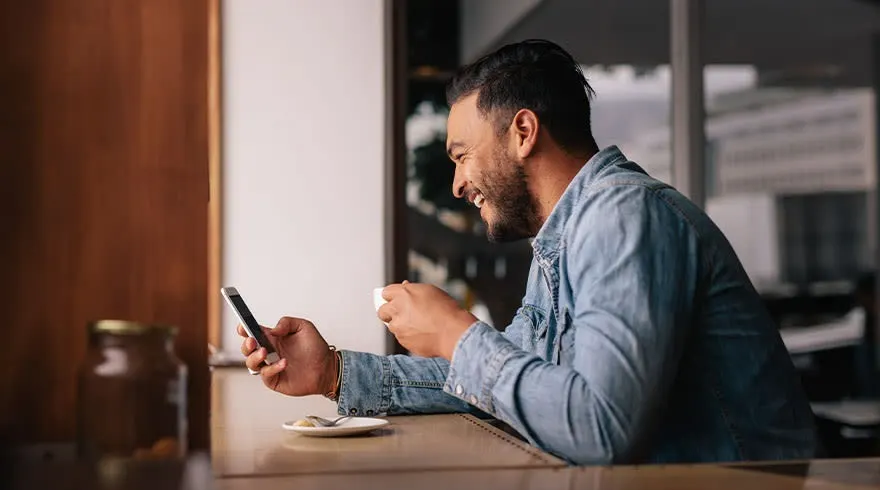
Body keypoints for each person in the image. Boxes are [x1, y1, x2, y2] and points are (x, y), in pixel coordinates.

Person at [240, 39, 817, 465]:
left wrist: (457, 332)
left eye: (462, 155)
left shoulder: (622, 218)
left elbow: (601, 431)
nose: (459, 184)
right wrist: (333, 371)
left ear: (523, 132)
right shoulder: (564, 237)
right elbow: (513, 384)